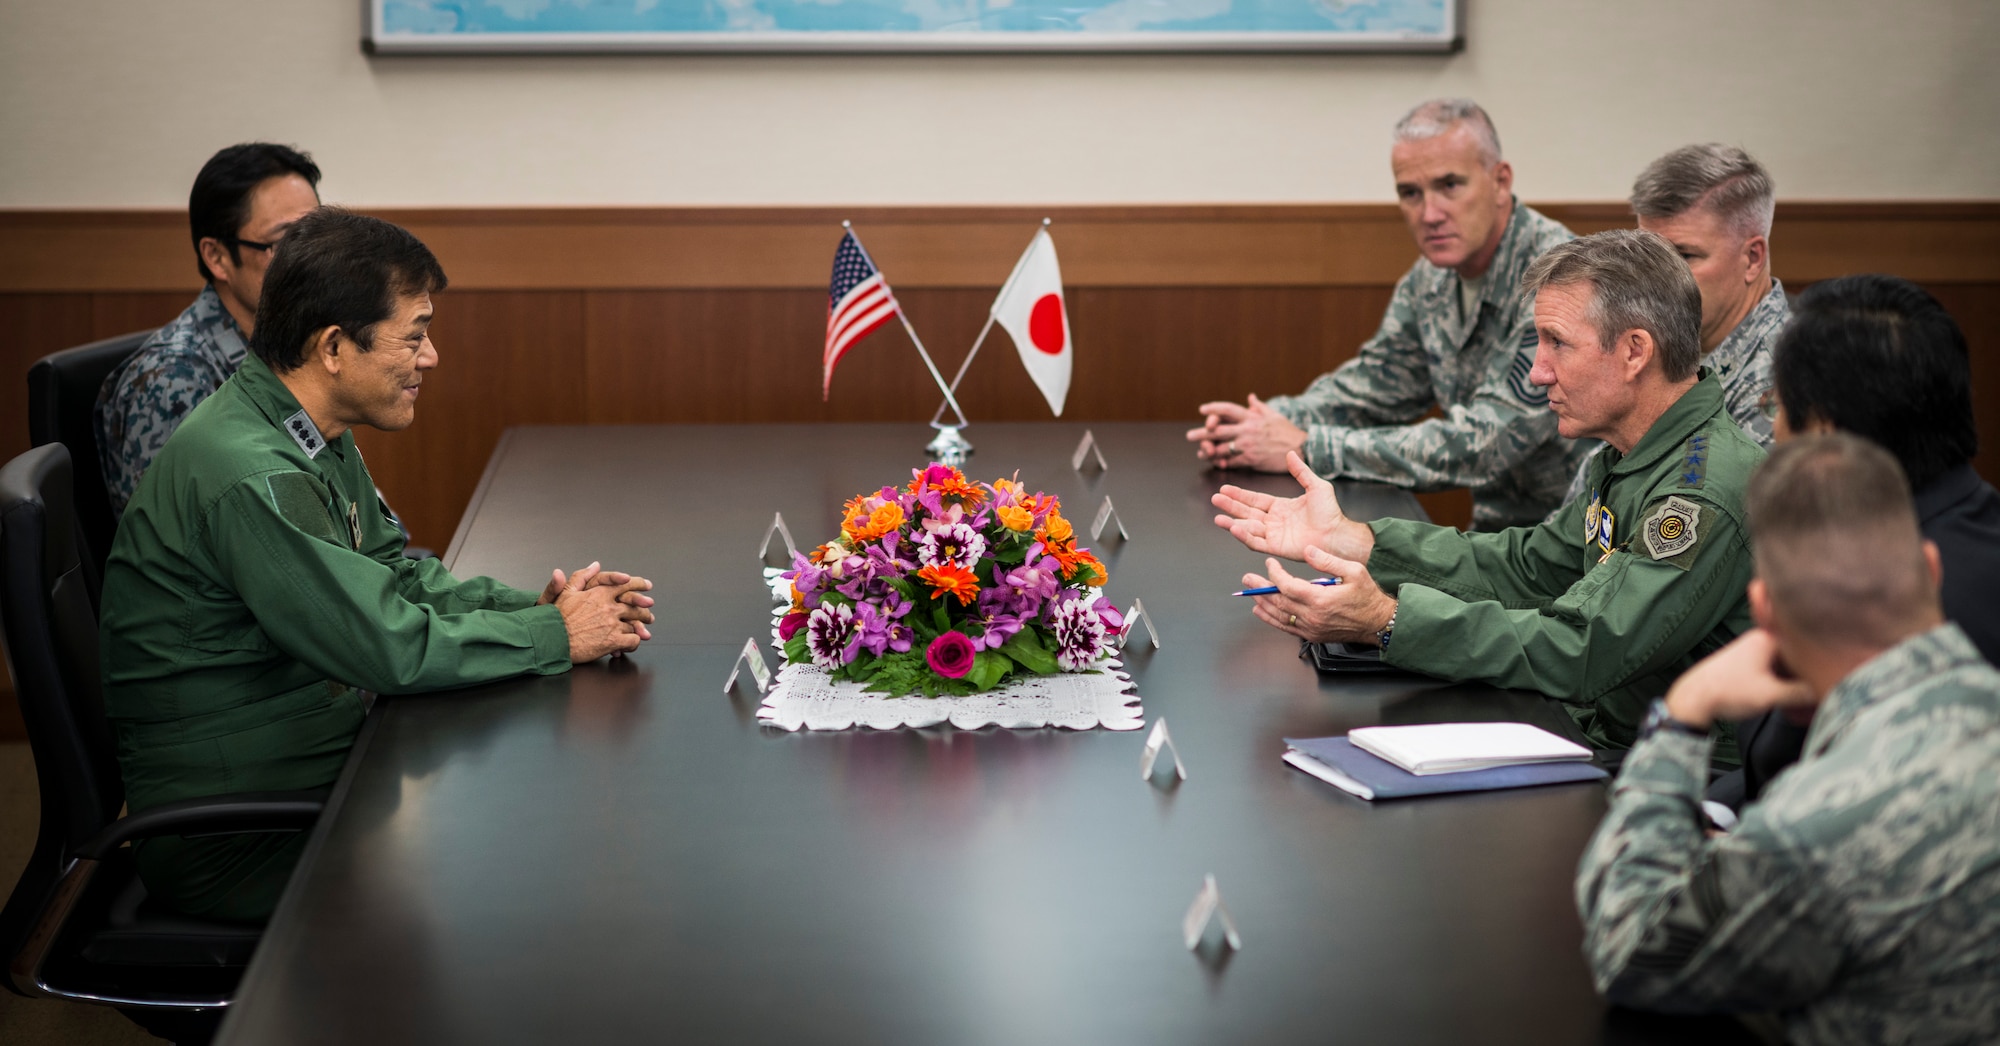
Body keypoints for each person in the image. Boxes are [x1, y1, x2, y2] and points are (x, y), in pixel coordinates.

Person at [99, 208, 656, 923]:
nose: (431, 358)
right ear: (334, 347)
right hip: (240, 833)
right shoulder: (252, 474)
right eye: (415, 336)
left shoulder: (303, 431)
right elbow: (384, 645)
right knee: (536, 862)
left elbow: (397, 577)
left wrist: (535, 611)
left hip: (316, 772)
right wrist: (556, 639)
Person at [1213, 230, 1764, 758]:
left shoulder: (1700, 494)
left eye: (1557, 344)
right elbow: (1529, 570)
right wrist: (1355, 541)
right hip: (1596, 728)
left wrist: (1388, 620)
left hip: (1664, 771)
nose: (1537, 374)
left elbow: (1583, 647)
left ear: (1635, 352)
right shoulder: (1637, 451)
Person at [1576, 434, 2000, 1041]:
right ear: (1931, 569)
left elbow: (1630, 948)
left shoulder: (1813, 827)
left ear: (1765, 611)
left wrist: (1682, 714)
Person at [1186, 98, 1582, 530]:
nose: (1429, 214)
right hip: (1497, 533)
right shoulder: (1430, 278)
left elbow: (1484, 444)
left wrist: (1308, 444)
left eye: (1450, 185)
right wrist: (1263, 423)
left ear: (1500, 181)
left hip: (1574, 544)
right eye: (1410, 193)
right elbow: (1376, 385)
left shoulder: (1558, 278)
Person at [1708, 274, 2000, 817]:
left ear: (1822, 432)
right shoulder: (1947, 531)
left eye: (1780, 408)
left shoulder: (1893, 601)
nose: (1773, 430)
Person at [96, 143, 323, 515]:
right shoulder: (171, 382)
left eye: (316, 236)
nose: (310, 261)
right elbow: (189, 548)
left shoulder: (294, 346)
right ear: (217, 257)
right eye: (284, 243)